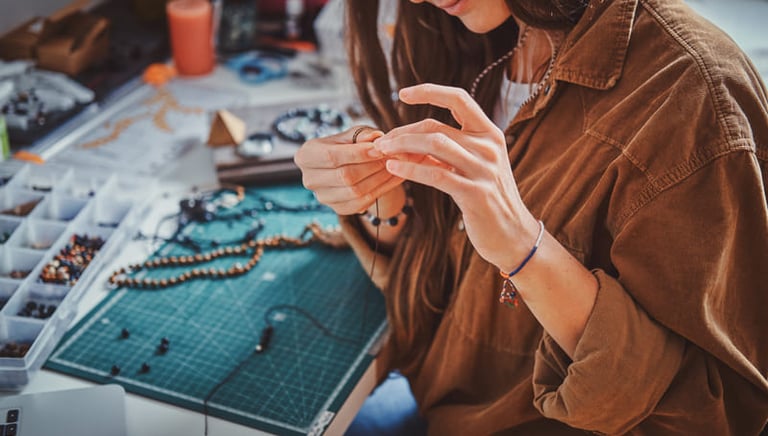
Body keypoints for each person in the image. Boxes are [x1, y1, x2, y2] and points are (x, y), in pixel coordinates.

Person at [294, 0, 768, 434]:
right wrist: (383, 203)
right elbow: (453, 287)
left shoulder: (693, 95)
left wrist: (524, 247)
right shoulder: (491, 36)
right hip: (441, 407)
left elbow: (720, 413)